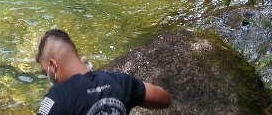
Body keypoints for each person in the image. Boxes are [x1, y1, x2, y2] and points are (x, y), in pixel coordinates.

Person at [34, 29, 171, 115]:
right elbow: (164, 99)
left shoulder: (55, 99)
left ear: (52, 64)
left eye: (46, 72)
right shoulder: (120, 81)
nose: (48, 76)